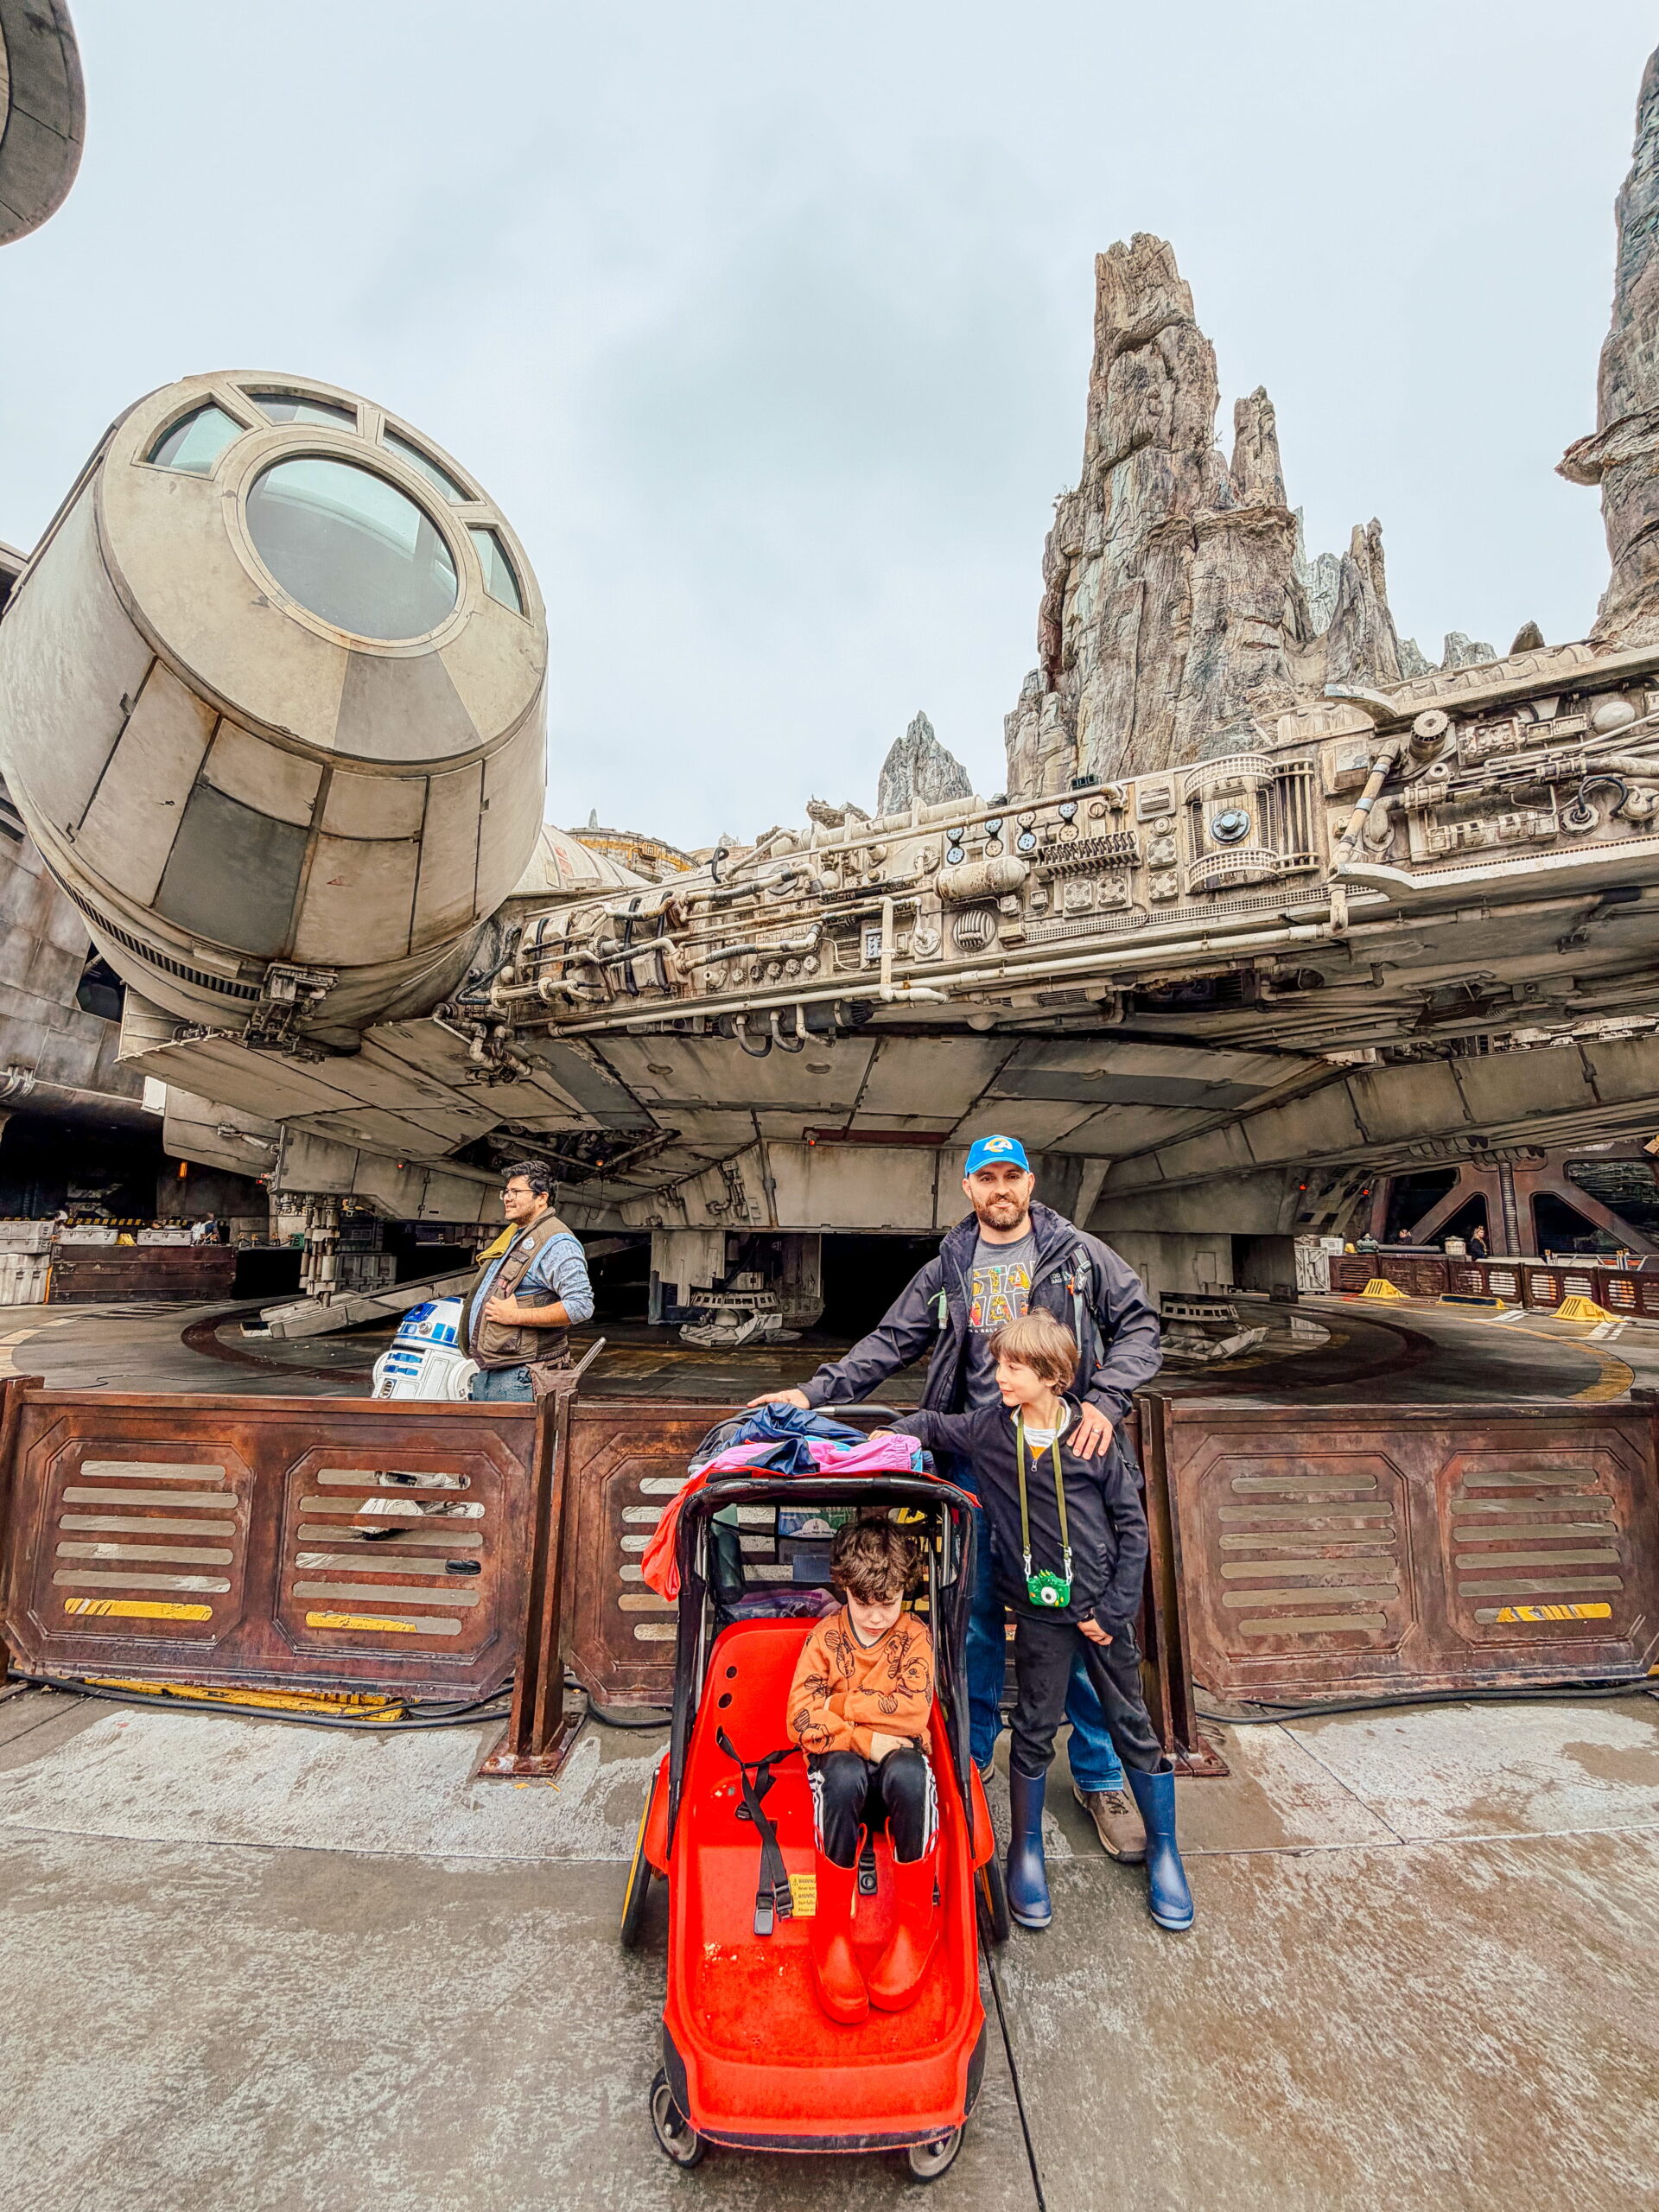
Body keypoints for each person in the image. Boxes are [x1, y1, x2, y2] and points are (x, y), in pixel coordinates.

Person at [750, 1132, 1161, 1866]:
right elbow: (891, 1340)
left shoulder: (1078, 1254)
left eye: (1012, 1177)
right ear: (968, 1190)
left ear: (1029, 1183)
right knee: (971, 1613)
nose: (1000, 1190)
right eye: (986, 1179)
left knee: (1084, 1617)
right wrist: (815, 1393)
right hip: (979, 1458)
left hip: (1063, 1463)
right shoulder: (952, 1263)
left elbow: (1141, 1328)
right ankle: (972, 1754)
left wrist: (1104, 1399)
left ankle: (1100, 1777)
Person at [880, 1311, 1192, 1934]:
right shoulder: (992, 1431)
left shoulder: (1093, 1439)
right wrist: (884, 1441)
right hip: (1040, 1614)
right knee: (1032, 1727)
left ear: (1052, 1376)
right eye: (999, 1365)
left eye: (1012, 1368)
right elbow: (934, 1424)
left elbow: (1133, 1530)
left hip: (1100, 1614)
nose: (998, 1377)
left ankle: (1165, 1850)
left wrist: (1113, 1609)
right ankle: (1025, 1850)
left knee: (1132, 1725)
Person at [785, 1517, 938, 2023]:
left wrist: (841, 1704)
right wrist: (865, 1735)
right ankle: (831, 1933)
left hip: (900, 1776)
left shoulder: (914, 1637)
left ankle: (914, 1931)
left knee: (912, 1773)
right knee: (844, 1771)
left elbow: (914, 1712)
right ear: (844, 1589)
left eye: (889, 1604)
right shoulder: (825, 1639)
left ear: (903, 1594)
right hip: (844, 1773)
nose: (876, 1618)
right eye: (864, 1603)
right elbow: (799, 1717)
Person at [463, 1162, 594, 1401]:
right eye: (506, 1192)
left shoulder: (557, 1242)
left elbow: (580, 1305)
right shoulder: (518, 1235)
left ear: (542, 1198)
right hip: (497, 1372)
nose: (507, 1198)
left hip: (522, 1376)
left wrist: (516, 1316)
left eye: (516, 1192)